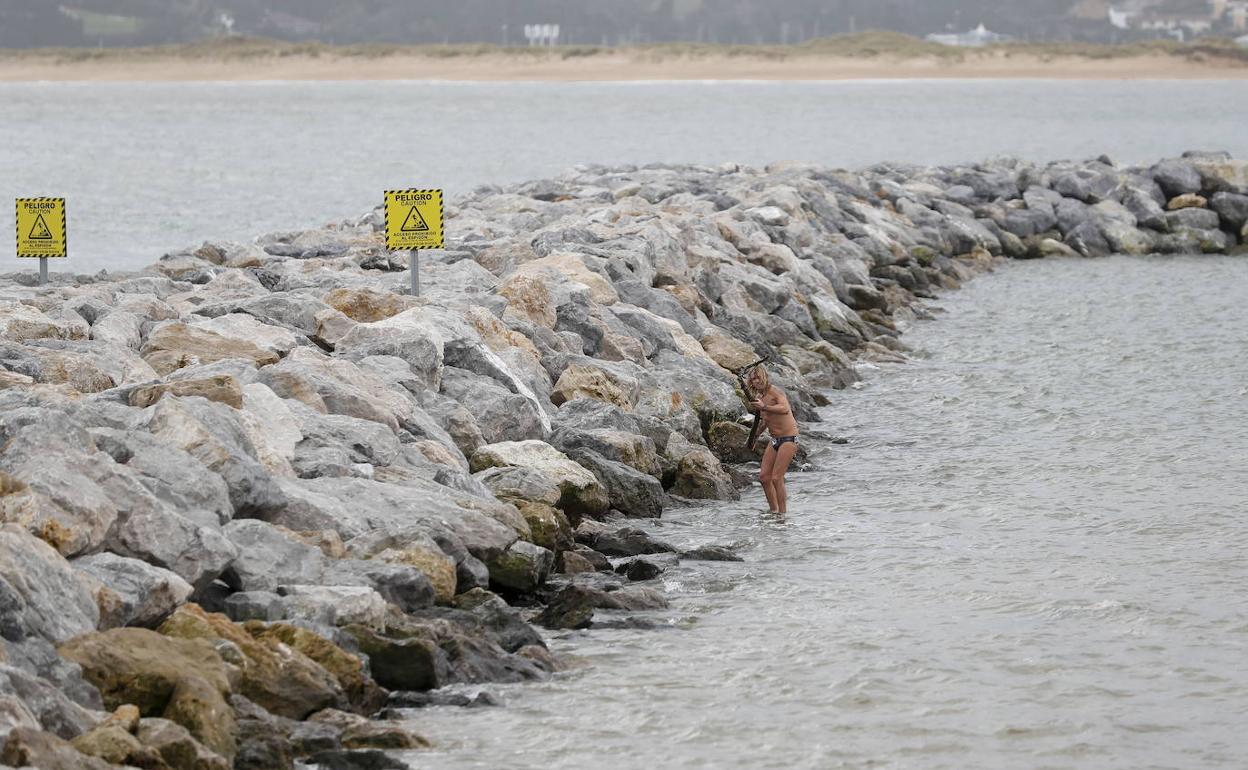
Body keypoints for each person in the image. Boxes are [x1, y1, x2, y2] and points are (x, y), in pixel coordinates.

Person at [747, 365, 799, 514]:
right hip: (775, 439)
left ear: (764, 376)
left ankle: (783, 515)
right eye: (753, 378)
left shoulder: (774, 391)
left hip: (789, 438)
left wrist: (764, 407)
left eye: (758, 377)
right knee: (764, 477)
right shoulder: (759, 397)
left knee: (777, 478)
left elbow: (784, 409)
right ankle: (773, 511)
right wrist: (755, 436)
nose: (756, 381)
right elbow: (765, 421)